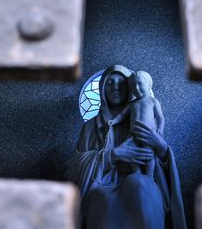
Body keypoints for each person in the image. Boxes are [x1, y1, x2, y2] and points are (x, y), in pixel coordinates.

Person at [65, 65, 187, 229]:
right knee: (105, 199)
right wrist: (112, 155)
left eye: (121, 83)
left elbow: (162, 163)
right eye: (110, 83)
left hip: (141, 180)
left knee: (139, 185)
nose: (115, 87)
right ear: (102, 89)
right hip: (104, 185)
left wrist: (161, 147)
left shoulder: (146, 120)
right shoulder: (90, 127)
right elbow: (74, 168)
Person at [119, 70, 165, 177]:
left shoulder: (153, 101)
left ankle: (149, 174)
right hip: (133, 134)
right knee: (131, 152)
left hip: (148, 134)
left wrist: (160, 129)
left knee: (148, 153)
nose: (137, 88)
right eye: (133, 85)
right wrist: (114, 121)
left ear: (149, 85)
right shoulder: (132, 104)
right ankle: (136, 172)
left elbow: (160, 117)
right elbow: (122, 115)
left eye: (140, 84)